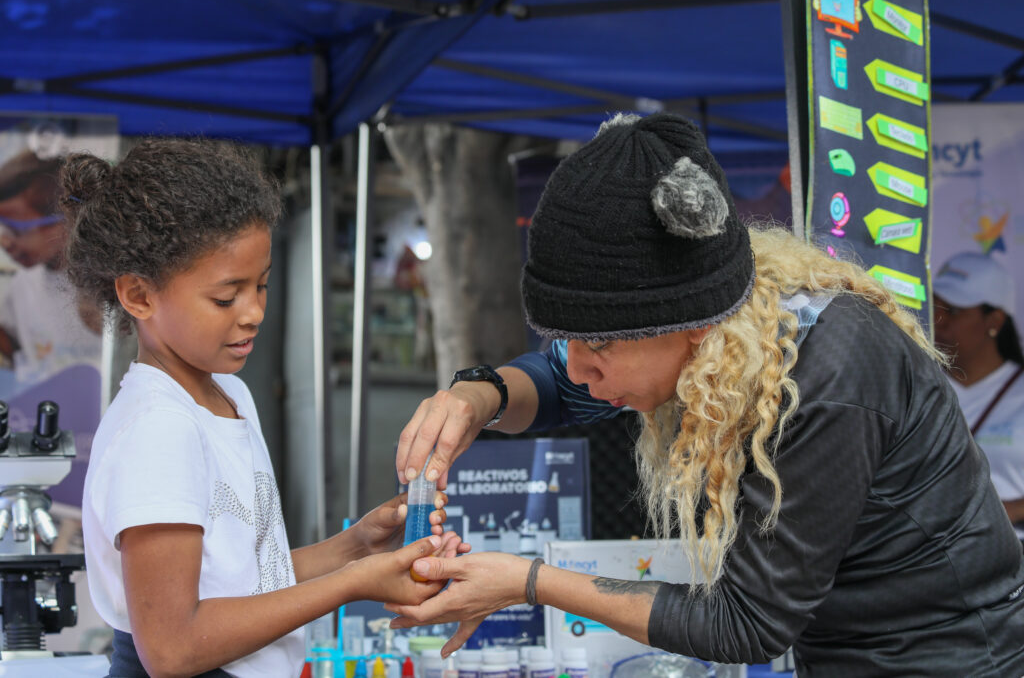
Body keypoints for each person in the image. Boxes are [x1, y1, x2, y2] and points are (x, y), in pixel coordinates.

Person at [388, 113, 1024, 677]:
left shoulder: (831, 376)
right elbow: (555, 380)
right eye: (565, 338)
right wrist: (478, 397)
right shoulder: (722, 331)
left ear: (692, 325)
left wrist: (529, 582)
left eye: (600, 345)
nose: (579, 369)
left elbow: (745, 623)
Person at [63, 139, 466, 678]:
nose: (254, 312)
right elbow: (172, 647)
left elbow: (244, 582)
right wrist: (351, 584)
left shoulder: (229, 396)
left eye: (262, 285)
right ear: (139, 296)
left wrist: (354, 550)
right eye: (226, 297)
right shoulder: (159, 429)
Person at [933, 252, 1024, 543]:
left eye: (955, 311)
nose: (939, 321)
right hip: (929, 559)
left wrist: (1006, 510)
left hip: (1010, 557)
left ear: (994, 320)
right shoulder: (918, 382)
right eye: (935, 306)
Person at [0, 149, 101, 388]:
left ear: (66, 220)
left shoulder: (100, 283)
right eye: (2, 228)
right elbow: (12, 344)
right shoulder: (23, 285)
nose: (5, 241)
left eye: (17, 230)